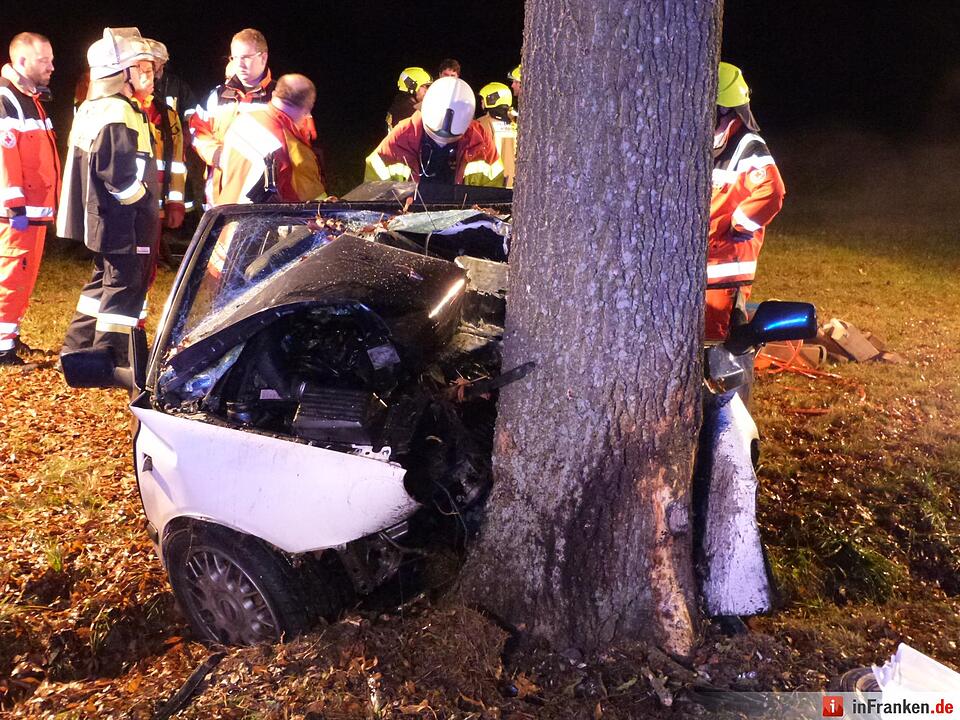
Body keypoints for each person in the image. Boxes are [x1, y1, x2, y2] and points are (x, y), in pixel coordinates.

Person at [58, 28, 159, 367]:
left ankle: (77, 348)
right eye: (141, 67)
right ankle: (109, 358)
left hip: (104, 218)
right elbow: (117, 173)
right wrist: (142, 202)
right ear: (119, 73)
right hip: (120, 219)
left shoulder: (99, 106)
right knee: (123, 285)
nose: (150, 75)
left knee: (102, 282)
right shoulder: (118, 111)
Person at [706, 62, 785, 340]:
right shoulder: (713, 143)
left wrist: (739, 223)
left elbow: (772, 191)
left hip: (724, 275)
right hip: (705, 269)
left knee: (713, 344)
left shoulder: (747, 144)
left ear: (724, 109)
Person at [0, 32, 60, 366]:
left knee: (19, 278)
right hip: (16, 213)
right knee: (10, 275)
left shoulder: (29, 97)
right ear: (22, 61)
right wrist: (14, 205)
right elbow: (4, 156)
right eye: (44, 60)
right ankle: (2, 348)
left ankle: (9, 338)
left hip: (33, 210)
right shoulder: (6, 98)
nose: (51, 66)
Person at [189, 28, 275, 207]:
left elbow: (301, 146)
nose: (240, 65)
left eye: (246, 58)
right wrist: (215, 154)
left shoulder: (280, 97)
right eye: (235, 58)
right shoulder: (217, 96)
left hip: (265, 200)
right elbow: (198, 132)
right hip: (221, 198)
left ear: (263, 57)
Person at [364, 76, 503, 186]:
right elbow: (373, 188)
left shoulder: (479, 139)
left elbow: (493, 185)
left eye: (451, 140)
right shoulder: (401, 137)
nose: (443, 143)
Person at [215, 73, 326, 205]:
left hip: (227, 216)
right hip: (259, 222)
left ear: (274, 94)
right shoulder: (294, 150)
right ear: (306, 109)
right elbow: (311, 206)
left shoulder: (242, 121)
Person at [476, 82, 517, 188]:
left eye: (483, 98)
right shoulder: (518, 123)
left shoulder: (482, 123)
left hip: (493, 184)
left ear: (492, 99)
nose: (481, 101)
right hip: (516, 184)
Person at [386, 66, 431, 132]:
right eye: (424, 86)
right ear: (412, 87)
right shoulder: (406, 111)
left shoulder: (400, 103)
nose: (427, 91)